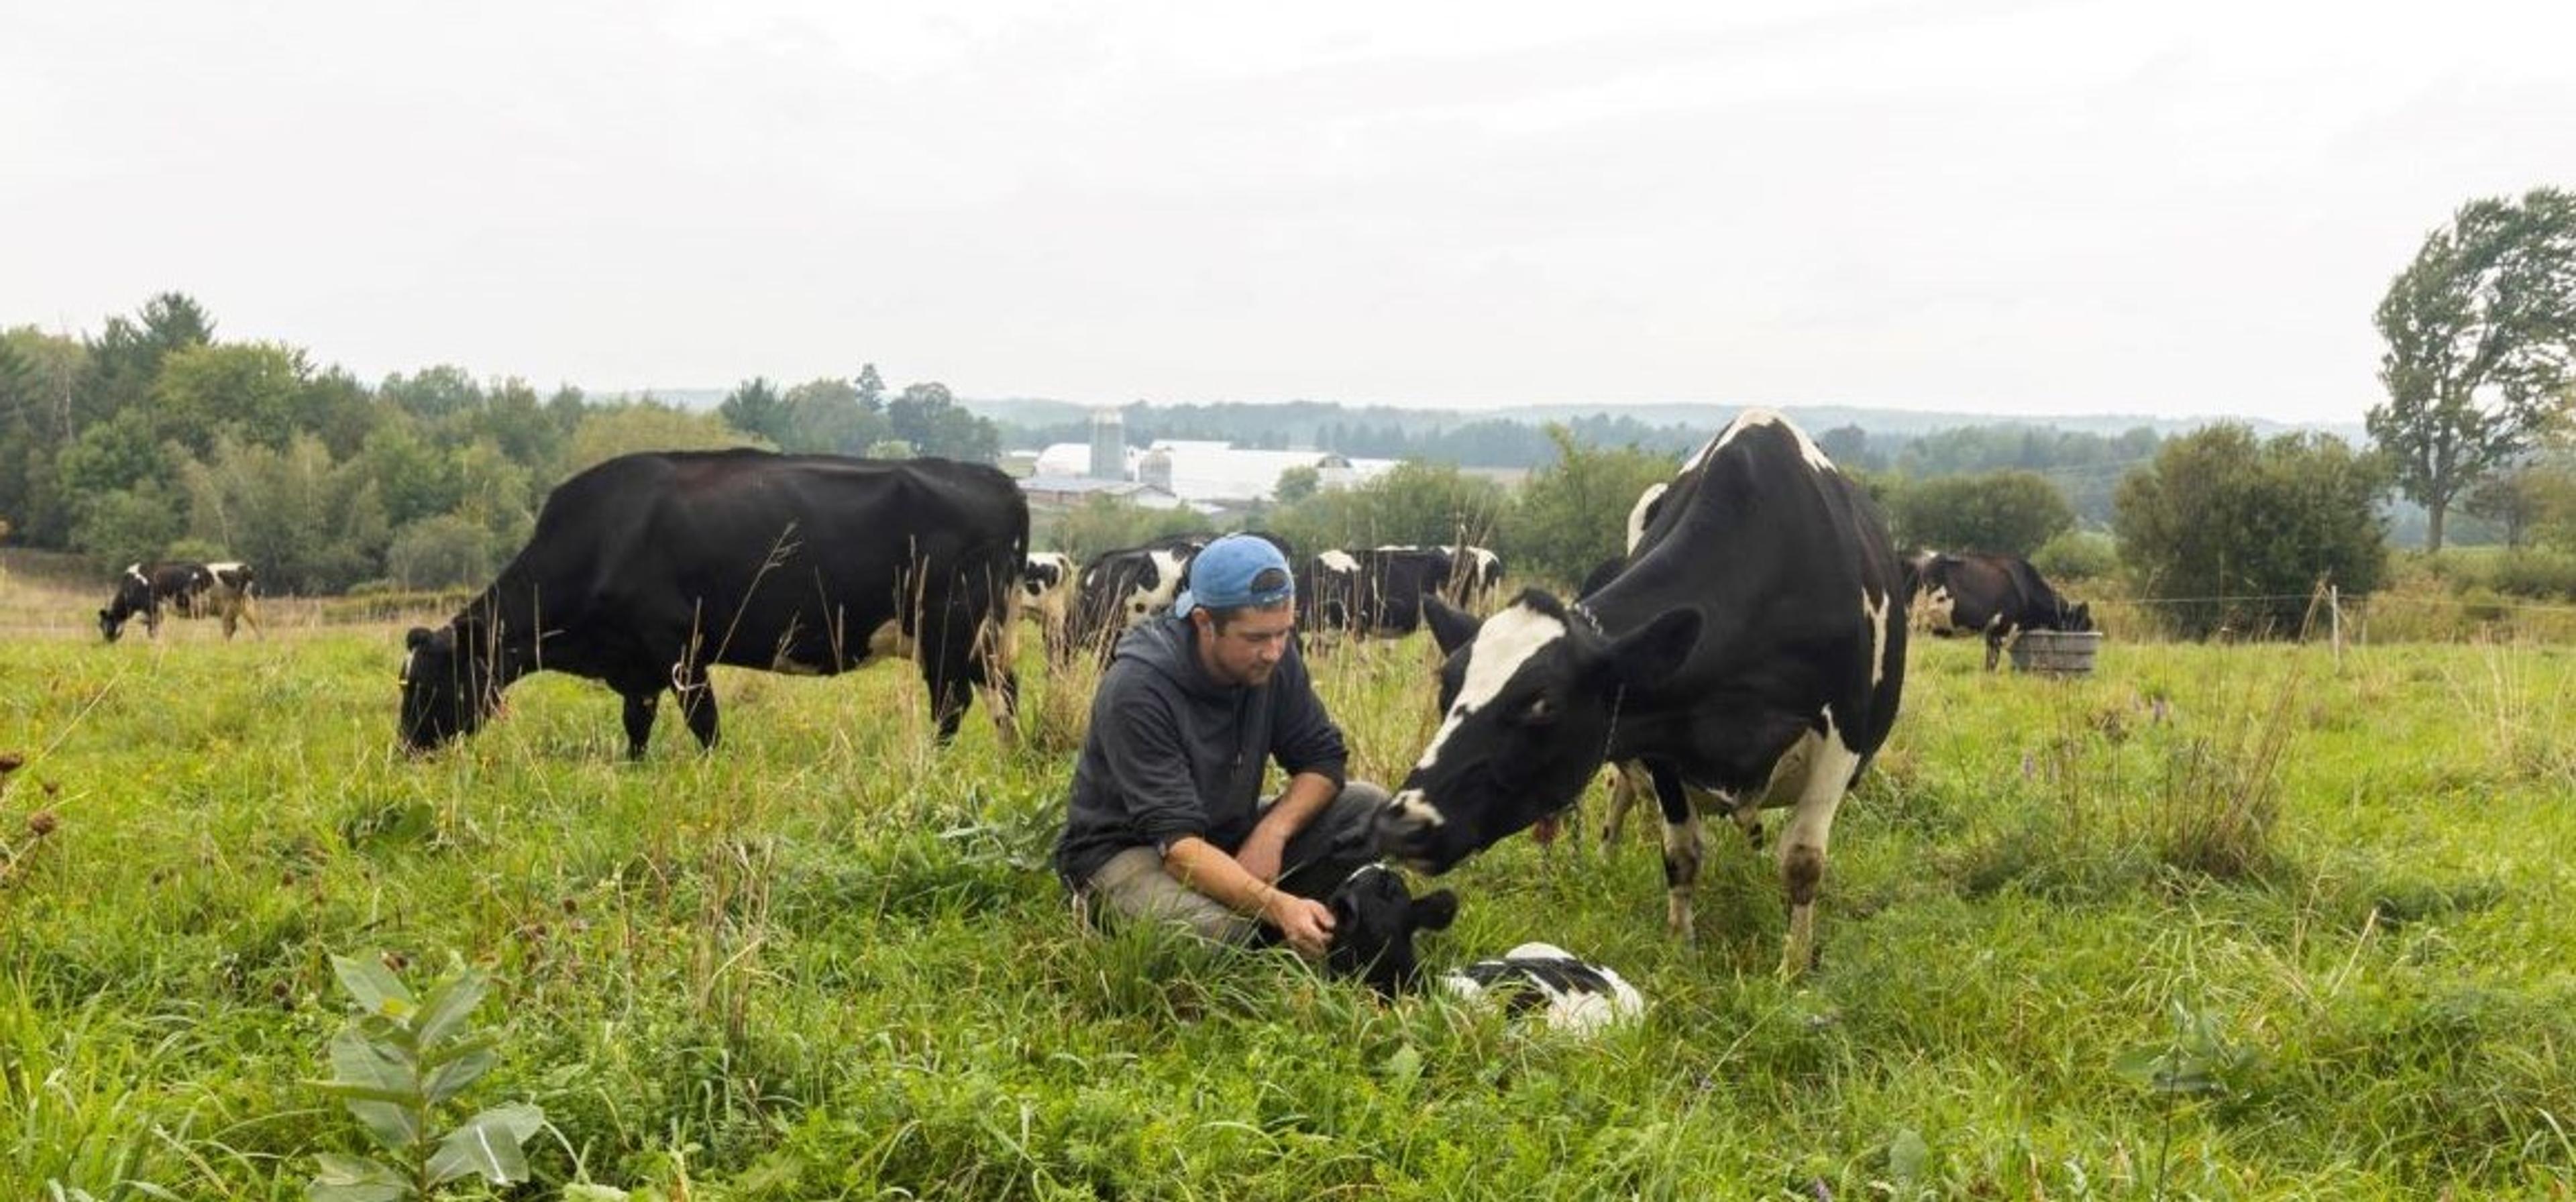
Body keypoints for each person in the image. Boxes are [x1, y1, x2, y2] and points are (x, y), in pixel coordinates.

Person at [1055, 533, 1387, 959]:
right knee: (1217, 938)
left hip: (1228, 834)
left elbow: (1322, 760)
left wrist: (1273, 831)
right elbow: (1177, 846)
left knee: (1370, 809)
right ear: (1204, 623)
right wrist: (1278, 906)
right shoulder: (1138, 687)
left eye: (1283, 633)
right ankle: (1264, 923)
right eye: (1255, 639)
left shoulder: (1275, 659)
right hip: (1132, 851)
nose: (1273, 652)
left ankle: (1261, 912)